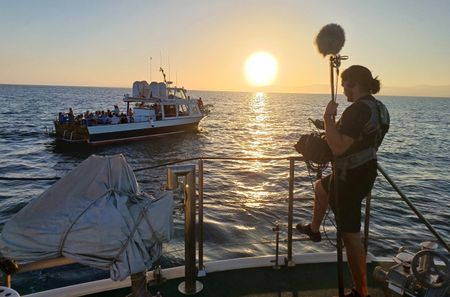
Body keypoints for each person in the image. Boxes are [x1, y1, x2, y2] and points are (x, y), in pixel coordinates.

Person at [296, 65, 389, 297]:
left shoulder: (356, 110)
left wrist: (328, 116)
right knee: (320, 187)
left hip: (350, 179)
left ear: (352, 83)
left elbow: (338, 148)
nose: (343, 90)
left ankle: (362, 291)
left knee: (350, 237)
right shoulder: (380, 108)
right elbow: (360, 138)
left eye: (345, 84)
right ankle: (315, 229)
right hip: (365, 171)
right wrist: (330, 127)